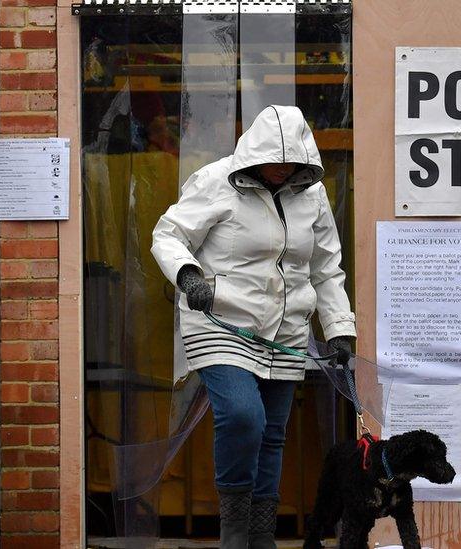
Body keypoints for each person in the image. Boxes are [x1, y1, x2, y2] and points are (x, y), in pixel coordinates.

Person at [151, 105, 356, 548]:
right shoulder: (215, 181)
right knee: (244, 416)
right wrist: (188, 275)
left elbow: (325, 266)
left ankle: (261, 533)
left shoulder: (312, 195)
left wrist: (340, 328)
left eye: (292, 163)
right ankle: (234, 530)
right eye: (275, 161)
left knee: (273, 432)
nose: (283, 170)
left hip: (286, 332)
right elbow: (169, 234)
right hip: (220, 319)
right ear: (254, 153)